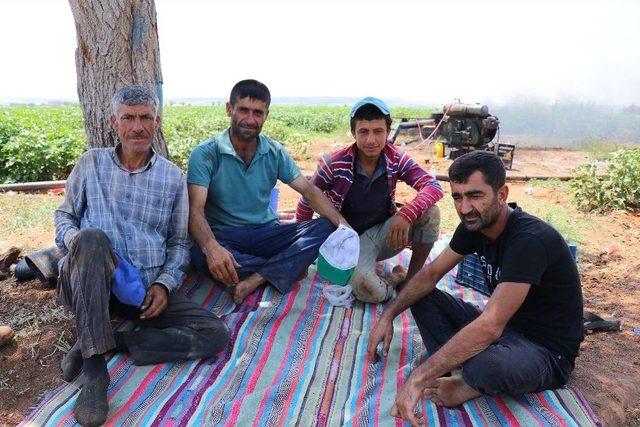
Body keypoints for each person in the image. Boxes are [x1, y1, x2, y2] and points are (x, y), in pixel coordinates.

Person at [55, 85, 230, 427]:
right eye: (129, 118)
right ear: (113, 122)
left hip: (143, 292)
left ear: (157, 121)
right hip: (91, 282)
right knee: (91, 239)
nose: (138, 126)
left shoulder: (172, 177)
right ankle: (95, 372)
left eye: (146, 117)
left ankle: (115, 338)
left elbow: (179, 244)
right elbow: (64, 217)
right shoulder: (90, 163)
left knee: (215, 334)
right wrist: (78, 245)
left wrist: (164, 286)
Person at [367, 151, 583, 426]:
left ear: (502, 194)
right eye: (458, 197)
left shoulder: (529, 240)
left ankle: (467, 382)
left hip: (545, 350)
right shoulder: (473, 226)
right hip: (505, 330)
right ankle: (460, 366)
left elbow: (490, 324)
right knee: (418, 294)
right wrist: (388, 316)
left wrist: (418, 378)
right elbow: (431, 274)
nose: (465, 207)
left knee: (487, 367)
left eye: (475, 195)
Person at [188, 79, 348, 304]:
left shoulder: (273, 151)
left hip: (267, 233)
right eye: (243, 110)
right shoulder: (206, 153)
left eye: (258, 113)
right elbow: (195, 211)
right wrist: (212, 247)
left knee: (327, 226)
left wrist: (344, 227)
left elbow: (309, 191)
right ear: (229, 109)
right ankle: (284, 266)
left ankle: (255, 278)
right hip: (226, 236)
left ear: (266, 115)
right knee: (198, 252)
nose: (250, 120)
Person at [296, 97, 444, 303]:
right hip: (347, 241)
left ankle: (412, 279)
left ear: (388, 131)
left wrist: (406, 214)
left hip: (383, 234)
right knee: (368, 291)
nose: (371, 140)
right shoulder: (334, 163)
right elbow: (306, 201)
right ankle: (394, 279)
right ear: (353, 133)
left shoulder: (395, 158)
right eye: (363, 131)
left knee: (431, 212)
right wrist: (301, 253)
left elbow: (433, 186)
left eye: (378, 131)